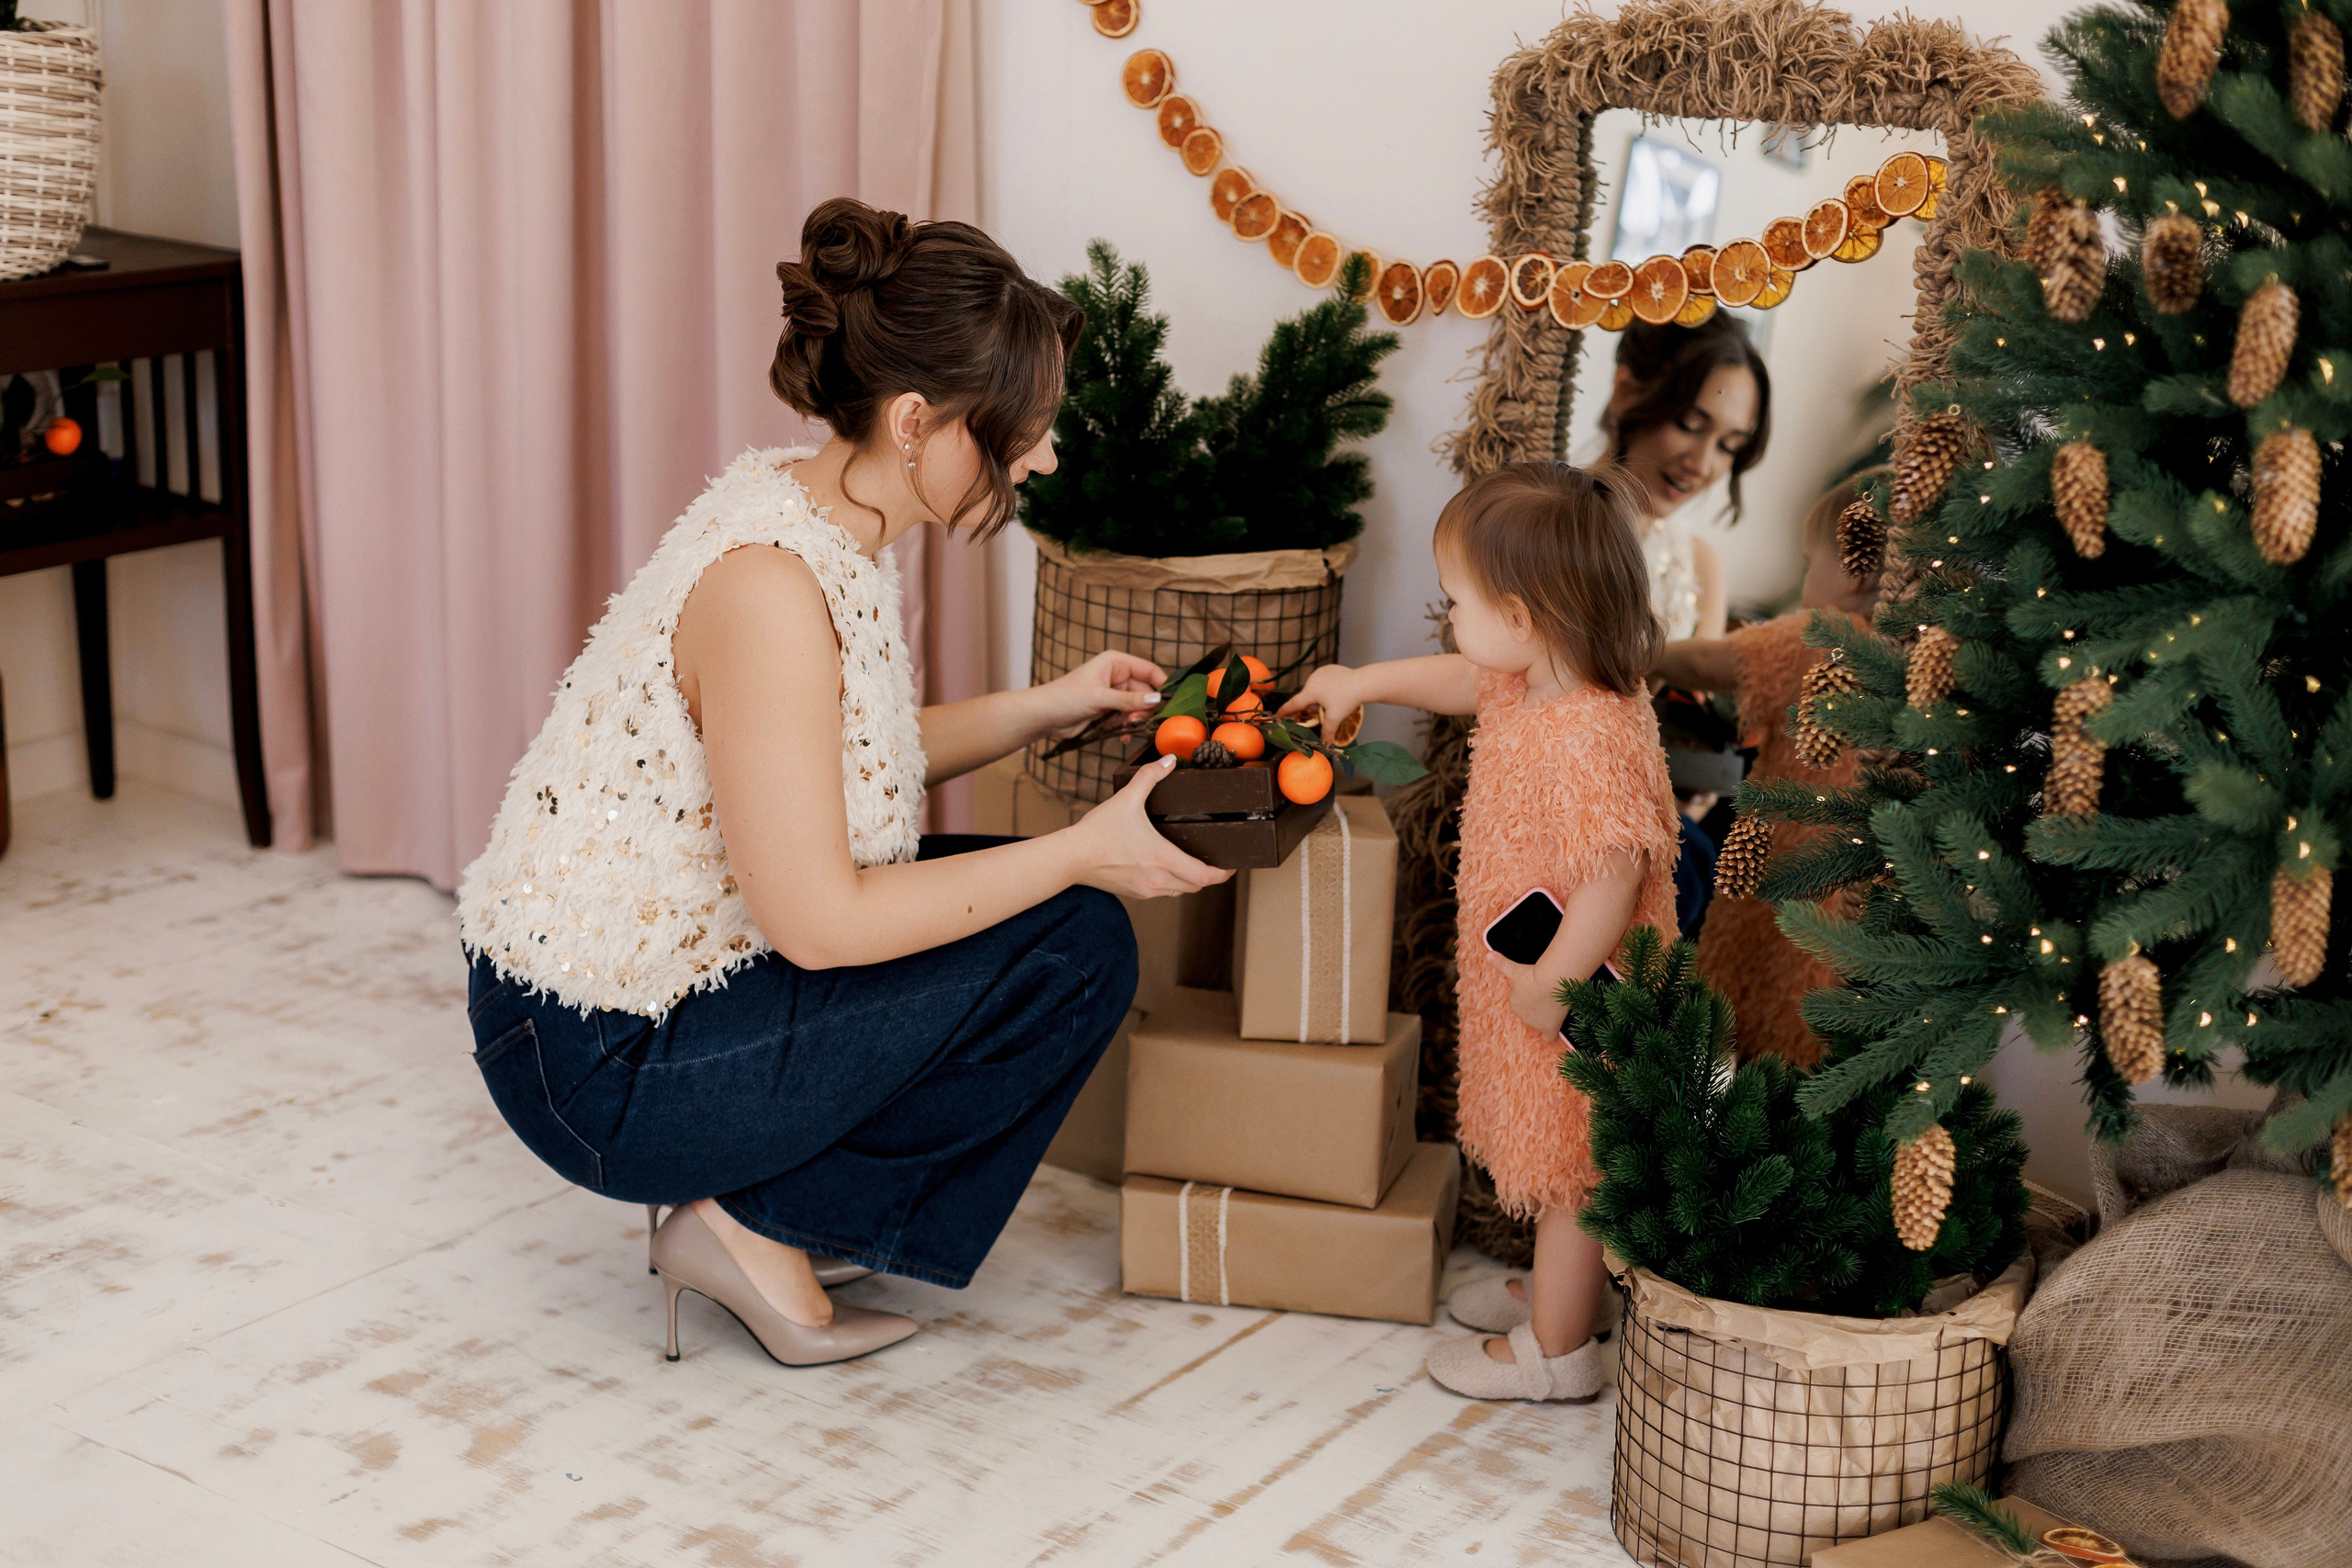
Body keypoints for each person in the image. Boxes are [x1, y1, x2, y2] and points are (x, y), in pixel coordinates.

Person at [455, 198, 1227, 1370]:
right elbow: (817, 925)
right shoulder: (770, 583)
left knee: (1065, 930)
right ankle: (750, 1222)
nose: (1045, 457)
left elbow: (825, 759)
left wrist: (1043, 706)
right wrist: (1079, 847)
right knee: (1070, 937)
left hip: (657, 1002)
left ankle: (776, 1206)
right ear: (918, 420)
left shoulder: (820, 513)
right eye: (1022, 430)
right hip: (596, 1063)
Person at [1281, 462, 1681, 1402]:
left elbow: (1614, 871)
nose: (1448, 616)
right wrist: (1360, 679)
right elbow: (1462, 676)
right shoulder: (1533, 682)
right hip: (1529, 976)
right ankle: (1562, 1297)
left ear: (1519, 616)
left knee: (1570, 1171)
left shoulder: (1589, 732)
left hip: (1575, 995)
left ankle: (1557, 1352)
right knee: (1549, 1147)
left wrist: (1556, 981)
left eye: (1454, 598)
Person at [1651, 469, 1886, 1067]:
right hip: (1863, 897)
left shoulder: (1828, 637)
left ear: (1854, 569)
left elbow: (1710, 661)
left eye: (1811, 562)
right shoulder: (1915, 663)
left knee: (1749, 981)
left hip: (1787, 864)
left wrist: (1633, 653)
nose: (1807, 581)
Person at [1600, 312, 1772, 641]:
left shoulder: (1700, 569)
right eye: (1689, 425)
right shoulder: (1536, 520)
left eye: (1728, 446)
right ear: (1625, 391)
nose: (1702, 465)